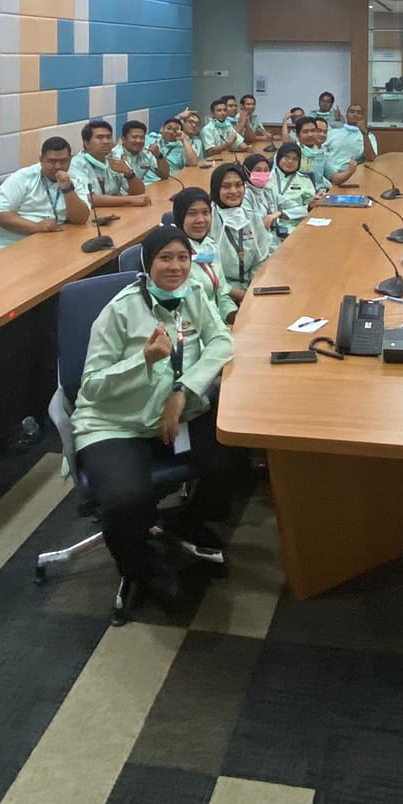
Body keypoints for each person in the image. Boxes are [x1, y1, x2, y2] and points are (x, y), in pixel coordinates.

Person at [71, 224, 240, 614]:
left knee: (230, 459)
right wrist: (143, 360)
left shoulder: (193, 293)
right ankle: (141, 569)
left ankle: (184, 520)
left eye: (183, 257)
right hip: (117, 422)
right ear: (148, 263)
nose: (176, 266)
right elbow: (91, 387)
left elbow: (221, 341)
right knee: (125, 500)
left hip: (175, 414)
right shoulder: (119, 311)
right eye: (166, 258)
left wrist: (182, 391)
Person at [0, 137, 92, 250]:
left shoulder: (75, 178)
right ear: (41, 160)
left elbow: (81, 219)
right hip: (13, 244)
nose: (57, 166)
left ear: (70, 160)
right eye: (51, 161)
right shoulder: (23, 177)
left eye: (63, 161)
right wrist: (36, 227)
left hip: (53, 242)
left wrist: (68, 189)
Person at [205, 162, 270, 309]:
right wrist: (233, 292)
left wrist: (253, 288)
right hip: (219, 290)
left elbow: (261, 260)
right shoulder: (208, 220)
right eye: (226, 186)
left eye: (238, 185)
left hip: (252, 288)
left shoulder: (253, 218)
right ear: (216, 189)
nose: (234, 191)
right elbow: (205, 269)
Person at [172, 188, 236, 322]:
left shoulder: (210, 245)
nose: (200, 220)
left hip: (219, 323)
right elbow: (187, 309)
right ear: (180, 216)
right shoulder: (174, 256)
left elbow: (222, 293)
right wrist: (222, 328)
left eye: (205, 213)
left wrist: (234, 317)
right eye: (192, 213)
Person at [73, 120, 151, 209]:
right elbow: (89, 198)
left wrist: (129, 174)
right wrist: (130, 200)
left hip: (116, 211)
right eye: (100, 138)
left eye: (109, 137)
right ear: (86, 143)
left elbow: (139, 193)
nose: (106, 141)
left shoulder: (115, 158)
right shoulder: (77, 164)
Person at [273, 140, 321, 220]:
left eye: (295, 159)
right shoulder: (267, 178)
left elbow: (309, 206)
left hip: (295, 222)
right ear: (279, 158)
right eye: (286, 157)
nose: (290, 161)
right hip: (269, 222)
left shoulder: (304, 180)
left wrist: (309, 206)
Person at [117, 119, 168, 185]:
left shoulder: (145, 153)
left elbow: (165, 175)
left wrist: (158, 155)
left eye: (142, 137)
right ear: (124, 139)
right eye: (134, 137)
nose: (139, 141)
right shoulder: (116, 157)